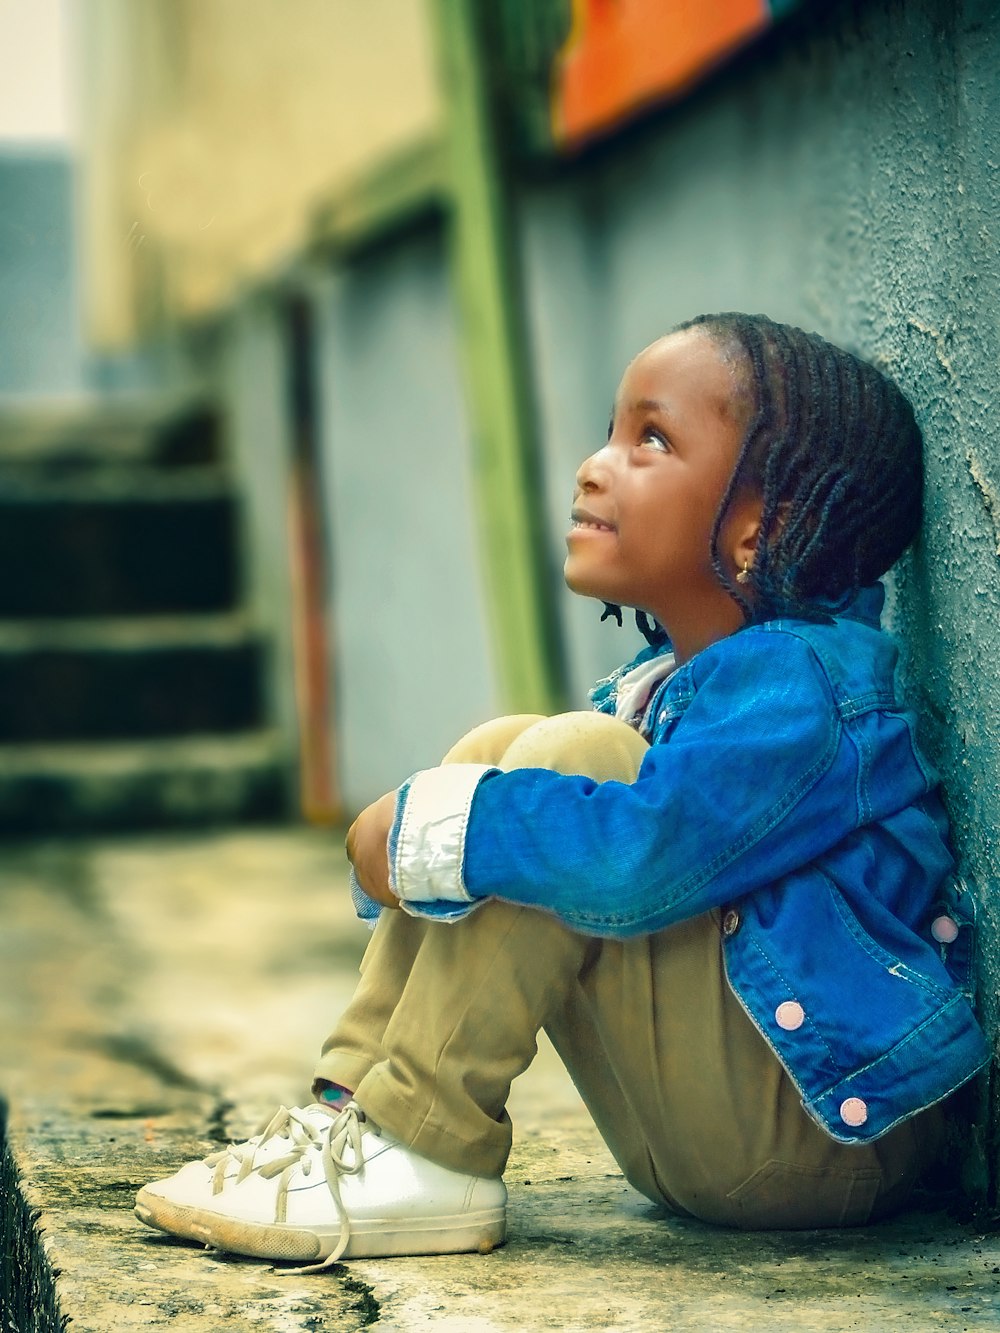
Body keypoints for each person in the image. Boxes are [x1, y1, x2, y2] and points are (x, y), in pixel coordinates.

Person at [135, 312, 989, 1271]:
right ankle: (352, 1116)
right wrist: (455, 819)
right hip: (733, 1139)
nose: (595, 465)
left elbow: (636, 859)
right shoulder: (685, 680)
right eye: (611, 432)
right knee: (511, 752)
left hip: (821, 1144)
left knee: (560, 772)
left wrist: (430, 833)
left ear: (765, 523)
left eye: (651, 440)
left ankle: (428, 1144)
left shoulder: (807, 688)